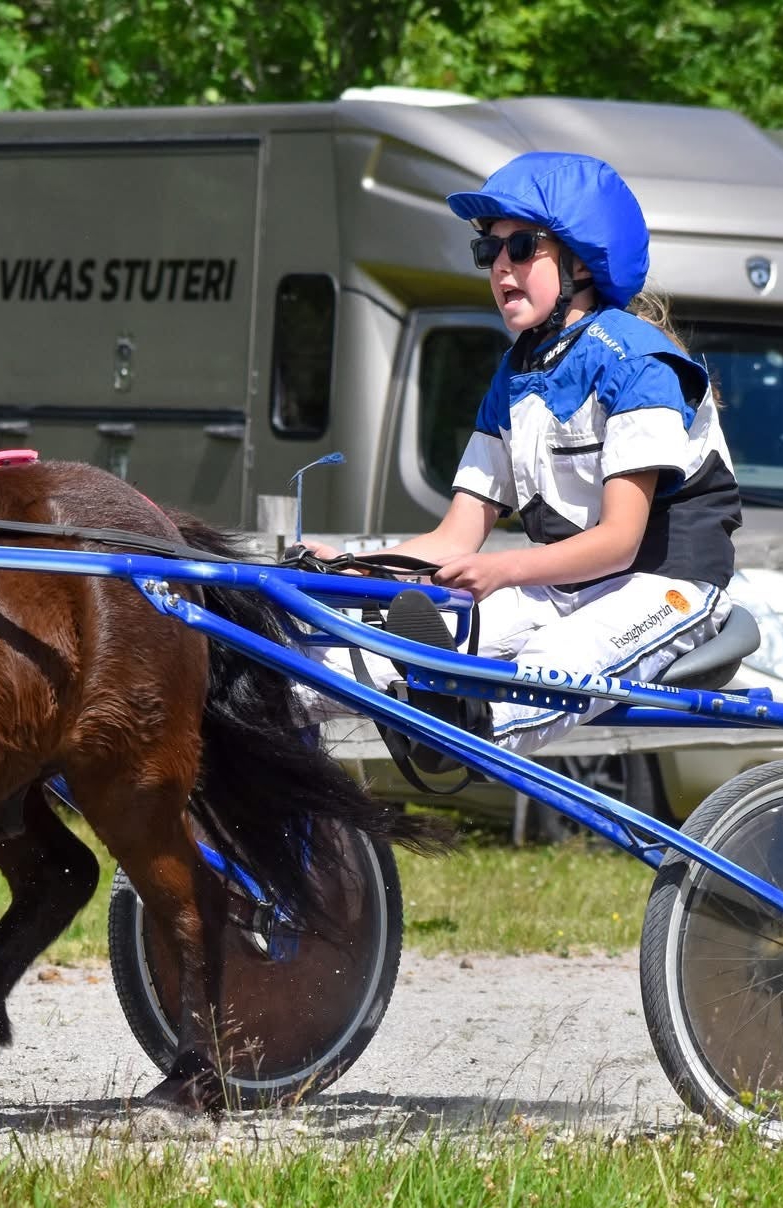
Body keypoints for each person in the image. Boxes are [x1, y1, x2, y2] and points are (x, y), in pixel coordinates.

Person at [300, 151, 742, 770]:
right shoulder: (514, 375)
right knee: (316, 670)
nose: (500, 267)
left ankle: (450, 720)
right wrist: (356, 567)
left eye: (521, 248)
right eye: (489, 251)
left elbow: (619, 542)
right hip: (557, 586)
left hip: (664, 585)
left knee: (550, 662)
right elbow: (455, 537)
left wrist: (504, 572)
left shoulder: (639, 364)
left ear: (581, 261)